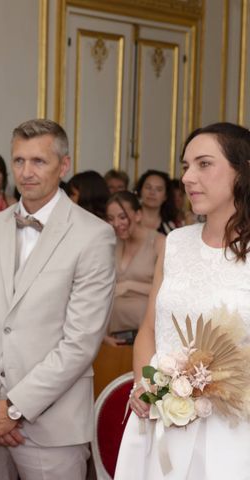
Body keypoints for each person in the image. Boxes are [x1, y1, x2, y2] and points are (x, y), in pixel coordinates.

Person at [0, 119, 116, 480]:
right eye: (19, 161)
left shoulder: (94, 236)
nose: (26, 172)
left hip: (53, 426)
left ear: (64, 165)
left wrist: (11, 409)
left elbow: (80, 343)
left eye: (39, 161)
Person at [115, 123, 250, 478]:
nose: (188, 177)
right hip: (161, 421)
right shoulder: (174, 243)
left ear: (242, 170)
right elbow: (148, 328)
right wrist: (144, 385)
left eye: (204, 164)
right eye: (185, 166)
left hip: (232, 432)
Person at [104, 191, 165, 346]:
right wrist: (101, 334)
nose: (116, 224)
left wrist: (129, 285)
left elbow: (168, 290)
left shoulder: (159, 243)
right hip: (111, 333)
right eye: (111, 218)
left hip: (147, 334)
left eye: (122, 217)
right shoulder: (110, 243)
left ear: (138, 215)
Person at [135, 169, 178, 235]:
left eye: (159, 189)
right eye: (148, 187)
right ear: (140, 191)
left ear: (165, 196)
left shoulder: (172, 229)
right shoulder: (128, 221)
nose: (152, 192)